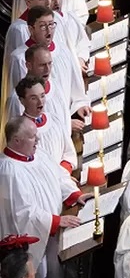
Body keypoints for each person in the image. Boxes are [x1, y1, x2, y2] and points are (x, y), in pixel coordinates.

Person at [0, 118, 90, 278]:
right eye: (32, 136)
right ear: (16, 140)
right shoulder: (8, 171)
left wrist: (75, 194)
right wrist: (54, 221)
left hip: (51, 230)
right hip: (37, 237)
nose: (38, 139)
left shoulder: (37, 153)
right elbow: (21, 213)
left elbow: (59, 175)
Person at [7, 7, 87, 129]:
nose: (49, 31)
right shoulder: (19, 58)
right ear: (31, 29)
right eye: (43, 26)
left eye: (51, 25)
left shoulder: (63, 49)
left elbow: (73, 81)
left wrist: (80, 103)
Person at [16, 76, 75, 173]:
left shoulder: (55, 120)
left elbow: (69, 153)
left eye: (42, 96)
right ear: (22, 101)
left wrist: (63, 175)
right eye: (33, 98)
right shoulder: (20, 132)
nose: (40, 102)